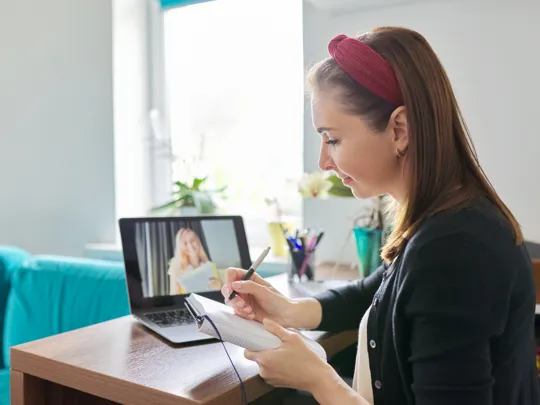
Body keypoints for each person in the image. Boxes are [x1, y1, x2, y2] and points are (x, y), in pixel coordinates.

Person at [221, 27, 539, 405]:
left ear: (399, 129)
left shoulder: (455, 249)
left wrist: (321, 381)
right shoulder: (441, 221)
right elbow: (378, 291)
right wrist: (290, 310)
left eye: (333, 139)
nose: (323, 162)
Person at [168, 228, 222, 294]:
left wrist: (220, 286)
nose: (190, 246)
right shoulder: (176, 266)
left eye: (192, 241)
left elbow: (223, 291)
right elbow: (173, 295)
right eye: (185, 243)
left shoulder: (210, 265)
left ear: (198, 241)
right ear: (181, 247)